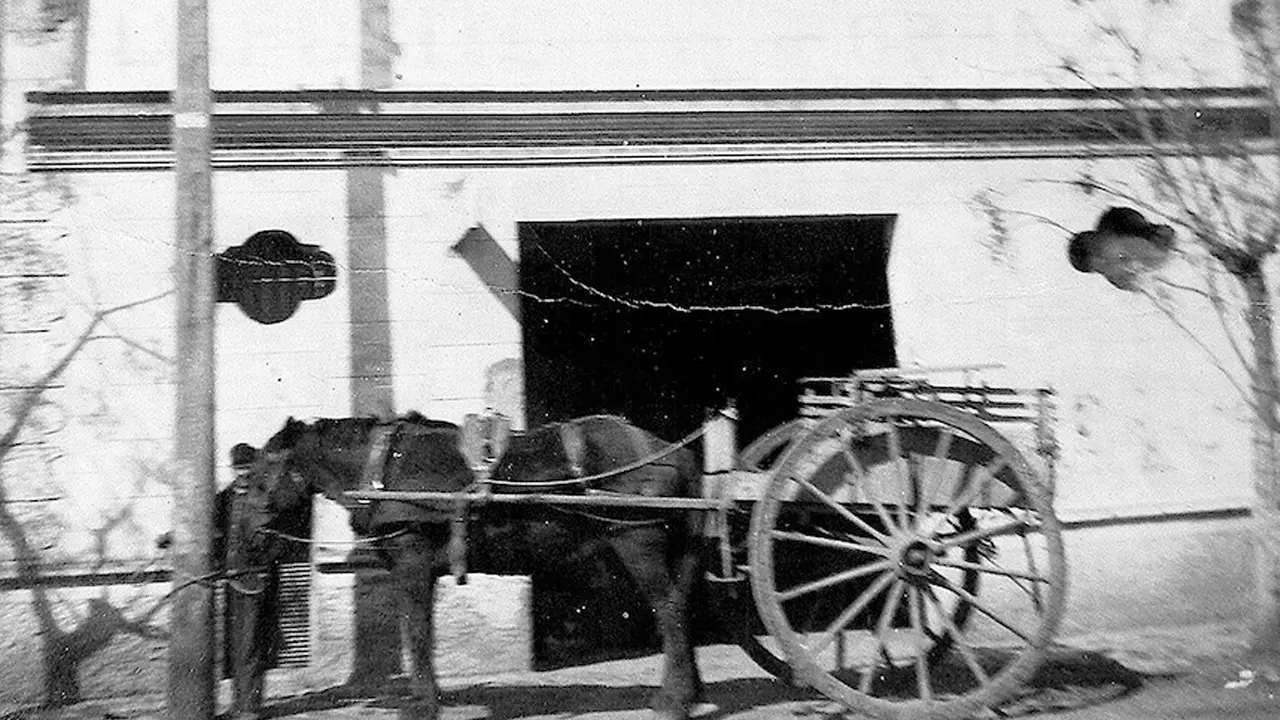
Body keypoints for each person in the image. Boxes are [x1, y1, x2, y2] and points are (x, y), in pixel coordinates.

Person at [217, 442, 282, 720]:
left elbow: (273, 540)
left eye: (247, 469)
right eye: (238, 469)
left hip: (256, 580)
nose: (242, 475)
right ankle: (239, 704)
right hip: (232, 579)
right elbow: (207, 522)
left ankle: (250, 708)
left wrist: (263, 565)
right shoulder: (226, 496)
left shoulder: (263, 498)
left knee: (251, 644)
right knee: (236, 646)